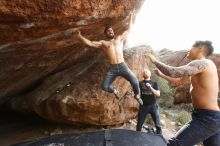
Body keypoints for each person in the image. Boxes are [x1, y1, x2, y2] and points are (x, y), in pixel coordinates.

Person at [148, 40, 220, 146]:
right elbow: (179, 81)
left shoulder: (202, 63)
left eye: (191, 48)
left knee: (175, 144)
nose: (188, 51)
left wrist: (155, 61)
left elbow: (173, 72)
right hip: (210, 118)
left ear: (200, 48)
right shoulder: (200, 68)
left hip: (207, 118)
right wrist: (160, 75)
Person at [75, 12, 143, 105]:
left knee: (135, 82)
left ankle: (137, 95)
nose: (111, 31)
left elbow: (129, 30)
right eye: (108, 31)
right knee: (104, 86)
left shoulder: (119, 38)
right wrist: (80, 37)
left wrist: (131, 16)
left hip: (123, 66)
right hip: (113, 68)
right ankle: (114, 90)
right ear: (105, 33)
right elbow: (90, 43)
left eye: (111, 30)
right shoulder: (103, 43)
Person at [136, 68, 162, 134]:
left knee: (158, 125)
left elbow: (158, 94)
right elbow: (137, 94)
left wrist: (150, 87)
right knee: (139, 124)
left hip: (153, 106)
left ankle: (159, 137)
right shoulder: (139, 83)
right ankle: (137, 137)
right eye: (144, 72)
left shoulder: (154, 83)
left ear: (150, 74)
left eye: (146, 71)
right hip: (143, 106)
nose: (145, 72)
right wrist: (136, 97)